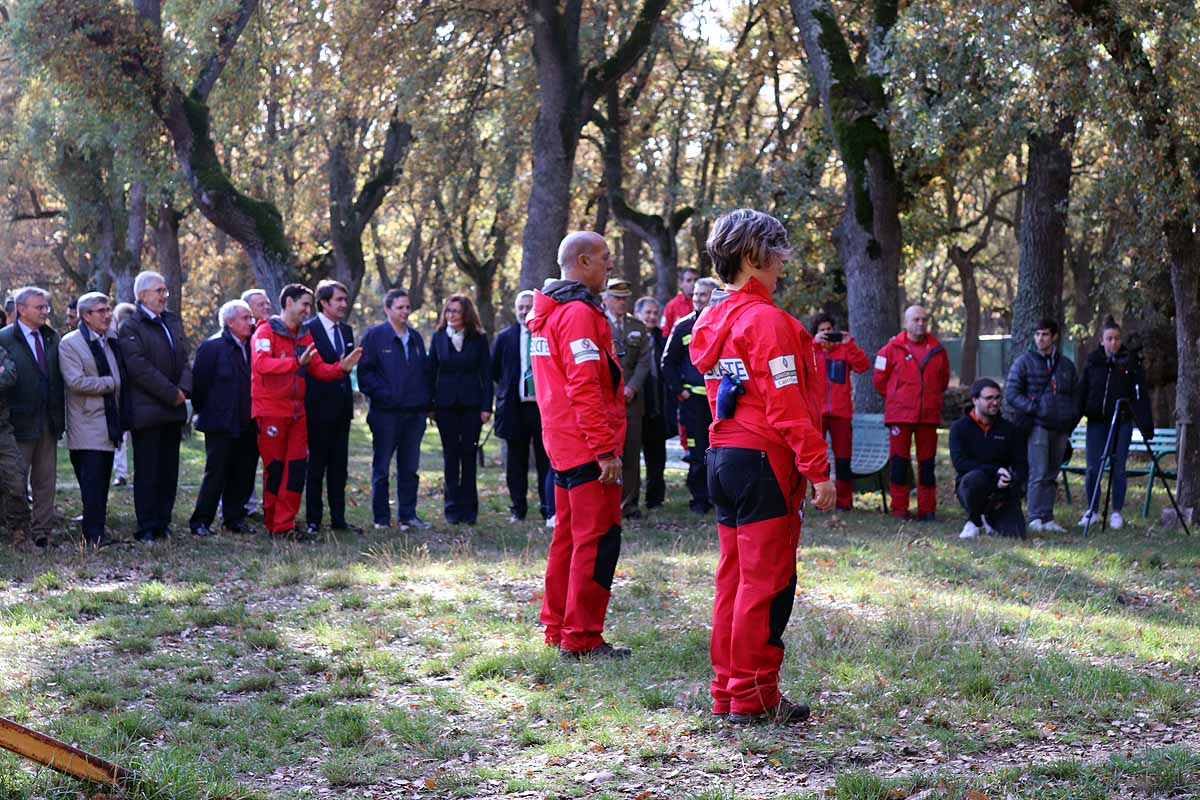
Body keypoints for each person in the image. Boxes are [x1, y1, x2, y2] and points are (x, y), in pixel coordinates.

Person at [690, 208, 835, 725]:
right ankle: (754, 696)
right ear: (754, 256)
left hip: (723, 457)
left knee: (733, 580)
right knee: (767, 584)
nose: (781, 268)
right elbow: (787, 404)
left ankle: (729, 692)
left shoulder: (711, 320)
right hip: (762, 463)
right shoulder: (768, 322)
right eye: (776, 257)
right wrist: (818, 468)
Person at [527, 231, 630, 660]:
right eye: (605, 258)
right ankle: (582, 637)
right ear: (584, 261)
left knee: (567, 540)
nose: (610, 265)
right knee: (597, 540)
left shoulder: (547, 313)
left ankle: (557, 627)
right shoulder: (577, 315)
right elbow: (585, 387)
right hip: (587, 447)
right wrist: (605, 449)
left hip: (562, 445)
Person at [251, 284, 362, 538]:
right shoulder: (266, 331)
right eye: (304, 304)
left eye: (309, 306)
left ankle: (286, 525)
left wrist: (340, 369)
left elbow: (318, 368)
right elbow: (261, 364)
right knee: (276, 469)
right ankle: (273, 523)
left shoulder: (304, 335)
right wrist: (294, 364)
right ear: (289, 302)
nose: (307, 310)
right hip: (271, 412)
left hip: (298, 414)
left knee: (296, 470)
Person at [119, 271, 191, 542]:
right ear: (142, 295)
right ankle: (147, 526)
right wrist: (171, 393)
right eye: (159, 291)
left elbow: (184, 357)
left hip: (174, 408)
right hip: (148, 410)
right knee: (148, 471)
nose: (164, 296)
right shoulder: (131, 326)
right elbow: (139, 368)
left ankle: (163, 522)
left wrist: (184, 389)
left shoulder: (171, 321)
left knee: (168, 471)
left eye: (165, 291)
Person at [357, 288, 433, 531]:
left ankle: (407, 516)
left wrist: (424, 403)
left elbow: (424, 373)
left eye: (407, 307)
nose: (405, 312)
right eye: (400, 307)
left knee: (410, 468)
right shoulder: (374, 337)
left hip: (414, 415)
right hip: (385, 415)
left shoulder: (416, 338)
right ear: (388, 309)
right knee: (382, 468)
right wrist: (387, 396)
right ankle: (381, 518)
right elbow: (365, 375)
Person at [0, 287, 65, 549]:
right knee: (15, 481)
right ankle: (18, 531)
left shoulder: (51, 338)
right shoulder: (4, 338)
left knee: (45, 481)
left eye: (46, 307)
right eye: (39, 307)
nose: (45, 311)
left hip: (47, 421)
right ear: (22, 310)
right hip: (18, 422)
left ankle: (42, 532)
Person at [1076, 318, 1153, 530]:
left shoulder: (1129, 363)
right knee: (1093, 468)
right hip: (1097, 422)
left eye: (1117, 339)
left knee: (1118, 468)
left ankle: (1117, 512)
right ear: (1101, 340)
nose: (1113, 343)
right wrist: (1072, 420)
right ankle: (1091, 510)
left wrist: (1147, 426)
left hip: (1122, 422)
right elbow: (1082, 392)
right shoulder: (1093, 362)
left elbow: (1141, 395)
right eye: (1109, 339)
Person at [189, 299, 258, 536]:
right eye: (245, 318)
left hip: (248, 421)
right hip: (220, 422)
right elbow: (199, 386)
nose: (251, 322)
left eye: (251, 318)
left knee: (244, 472)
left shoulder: (252, 346)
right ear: (230, 322)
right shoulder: (212, 347)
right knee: (216, 473)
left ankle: (234, 519)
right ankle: (201, 521)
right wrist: (210, 411)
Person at [874, 305, 950, 520]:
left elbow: (942, 381)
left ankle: (927, 510)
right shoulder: (889, 350)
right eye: (916, 319)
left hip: (928, 417)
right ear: (906, 322)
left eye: (924, 319)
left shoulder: (938, 350)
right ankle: (900, 509)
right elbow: (879, 381)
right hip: (900, 416)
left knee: (927, 464)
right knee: (899, 462)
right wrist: (898, 398)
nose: (920, 323)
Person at [59, 292, 123, 547]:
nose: (108, 315)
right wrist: (111, 383)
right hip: (85, 423)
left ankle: (98, 532)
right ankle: (92, 534)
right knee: (92, 483)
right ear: (85, 316)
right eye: (101, 310)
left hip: (108, 421)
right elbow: (74, 381)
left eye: (109, 309)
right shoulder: (71, 343)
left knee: (102, 481)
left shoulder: (109, 340)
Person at [1004, 318, 1078, 533]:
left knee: (1052, 473)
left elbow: (1075, 394)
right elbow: (1011, 394)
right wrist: (1034, 409)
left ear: (1054, 336)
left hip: (1061, 427)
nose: (1040, 339)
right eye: (1037, 334)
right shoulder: (1024, 362)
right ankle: (1035, 516)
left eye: (1044, 334)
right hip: (1038, 425)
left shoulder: (1066, 365)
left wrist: (1071, 416)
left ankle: (1048, 516)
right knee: (1038, 470)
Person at [429, 294, 492, 525]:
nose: (451, 315)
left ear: (466, 314)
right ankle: (452, 509)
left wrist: (487, 407)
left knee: (468, 455)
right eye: (448, 311)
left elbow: (486, 374)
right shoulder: (437, 338)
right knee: (450, 457)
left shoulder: (478, 339)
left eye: (456, 311)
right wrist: (430, 406)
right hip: (445, 406)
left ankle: (469, 510)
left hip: (472, 406)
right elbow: (431, 371)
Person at [303, 280, 359, 535]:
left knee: (339, 467)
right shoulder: (309, 329)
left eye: (345, 300)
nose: (344, 305)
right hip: (317, 409)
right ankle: (314, 519)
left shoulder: (346, 331)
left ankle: (339, 519)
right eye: (338, 300)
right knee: (316, 466)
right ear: (324, 302)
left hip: (342, 410)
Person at [492, 290, 552, 523]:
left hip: (542, 408)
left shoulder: (546, 334)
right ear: (515, 310)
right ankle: (518, 509)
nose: (525, 311)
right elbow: (495, 370)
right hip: (514, 408)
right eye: (521, 307)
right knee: (515, 462)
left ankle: (548, 509)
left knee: (545, 460)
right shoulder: (505, 337)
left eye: (530, 306)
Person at [664, 277, 719, 514]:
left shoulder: (725, 323)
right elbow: (668, 363)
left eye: (702, 295)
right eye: (695, 294)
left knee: (722, 452)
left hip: (721, 402)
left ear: (714, 298)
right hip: (694, 402)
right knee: (698, 453)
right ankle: (699, 500)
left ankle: (721, 498)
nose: (697, 298)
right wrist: (680, 390)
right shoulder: (683, 326)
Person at [950, 379, 1027, 539]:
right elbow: (960, 463)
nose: (995, 402)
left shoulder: (1009, 430)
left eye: (998, 397)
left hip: (1001, 489)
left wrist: (1011, 479)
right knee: (975, 478)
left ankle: (990, 518)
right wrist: (994, 472)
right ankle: (974, 520)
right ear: (975, 400)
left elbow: (1021, 464)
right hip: (972, 485)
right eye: (989, 398)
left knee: (1016, 535)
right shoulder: (959, 428)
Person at [810, 314, 870, 511]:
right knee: (818, 460)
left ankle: (844, 503)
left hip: (841, 413)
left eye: (829, 330)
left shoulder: (844, 350)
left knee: (843, 459)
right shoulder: (811, 351)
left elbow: (863, 366)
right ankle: (820, 502)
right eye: (822, 330)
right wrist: (813, 344)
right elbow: (799, 364)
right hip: (817, 414)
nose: (826, 333)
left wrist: (849, 343)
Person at [603, 278, 651, 517]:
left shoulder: (637, 326)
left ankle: (629, 503)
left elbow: (644, 362)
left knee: (632, 452)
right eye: (616, 298)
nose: (621, 303)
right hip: (605, 401)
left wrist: (631, 388)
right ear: (606, 298)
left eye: (624, 299)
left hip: (631, 401)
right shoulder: (597, 322)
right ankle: (607, 503)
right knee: (608, 452)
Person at [239, 288, 272, 518]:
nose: (266, 307)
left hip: (267, 406)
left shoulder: (272, 333)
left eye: (267, 303)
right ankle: (240, 505)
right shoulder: (242, 337)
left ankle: (257, 506)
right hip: (243, 408)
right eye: (260, 304)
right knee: (242, 459)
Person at [635, 296, 667, 510]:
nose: (652, 317)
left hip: (658, 408)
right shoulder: (632, 339)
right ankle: (630, 500)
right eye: (648, 312)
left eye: (655, 313)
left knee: (657, 458)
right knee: (631, 460)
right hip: (636, 407)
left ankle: (655, 499)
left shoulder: (664, 340)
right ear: (637, 314)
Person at [0, 342, 32, 546]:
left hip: (2, 430)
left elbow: (11, 375)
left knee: (16, 479)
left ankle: (18, 530)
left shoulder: (1, 351)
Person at [110, 302, 136, 487]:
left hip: (132, 393)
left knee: (123, 438)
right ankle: (121, 472)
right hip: (124, 393)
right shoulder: (114, 340)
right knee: (121, 437)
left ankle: (122, 472)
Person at [662, 267, 698, 338]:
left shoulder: (706, 303)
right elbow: (665, 332)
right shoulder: (672, 305)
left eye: (696, 280)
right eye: (689, 280)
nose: (693, 283)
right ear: (681, 284)